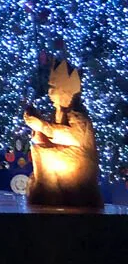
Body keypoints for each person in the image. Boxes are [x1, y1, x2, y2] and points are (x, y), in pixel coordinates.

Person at [24, 59, 102, 207]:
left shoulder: (79, 117)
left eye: (53, 88)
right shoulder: (56, 114)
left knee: (48, 157)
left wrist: (43, 126)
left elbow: (72, 136)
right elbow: (49, 135)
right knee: (38, 150)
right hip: (63, 159)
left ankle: (60, 192)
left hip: (78, 162)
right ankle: (46, 192)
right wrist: (37, 129)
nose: (50, 92)